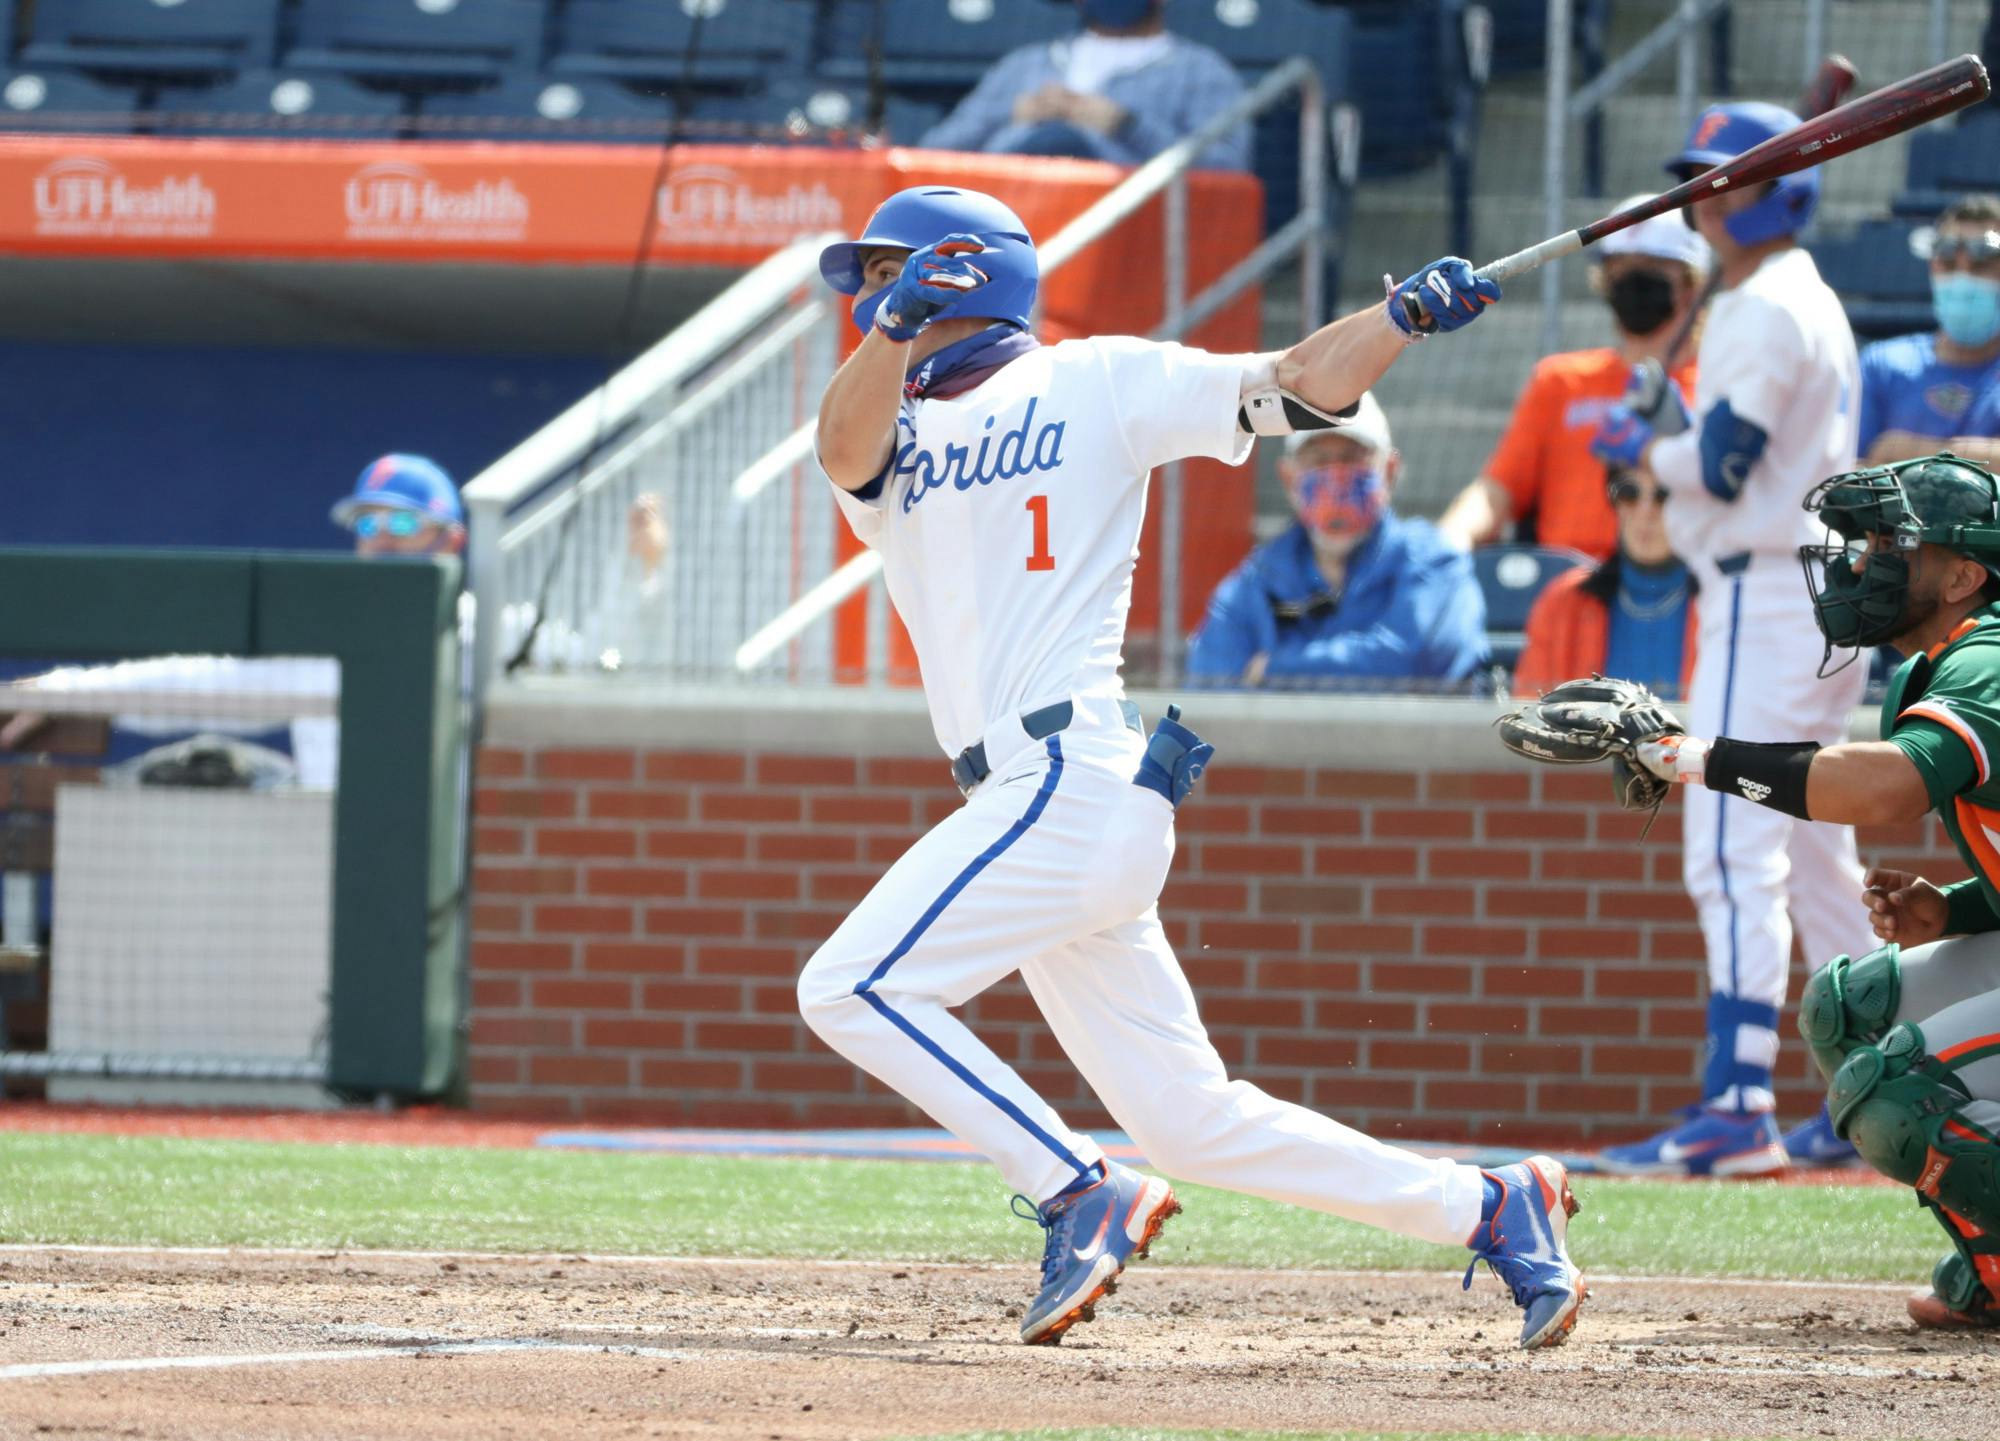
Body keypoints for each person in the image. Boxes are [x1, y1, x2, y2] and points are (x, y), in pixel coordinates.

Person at [797, 182, 1586, 1352]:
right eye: (869, 279)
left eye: (884, 269)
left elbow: (1293, 384)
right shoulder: (893, 426)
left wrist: (1399, 320)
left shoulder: (1097, 379)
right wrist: (895, 323)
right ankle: (1487, 1205)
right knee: (1188, 1120)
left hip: (1068, 773)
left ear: (968, 268)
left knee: (849, 986)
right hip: (1031, 803)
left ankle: (1075, 1188)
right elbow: (839, 448)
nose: (868, 294)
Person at [1545, 452, 2000, 1327]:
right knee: (1850, 1005)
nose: (1866, 561)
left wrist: (1696, 756)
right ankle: (1995, 1263)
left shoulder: (1987, 656)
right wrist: (1956, 908)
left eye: (1894, 544)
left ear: (1964, 576)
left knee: (1893, 1093)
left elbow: (1886, 788)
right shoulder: (1941, 662)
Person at [1586, 101, 1877, 1177]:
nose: (1709, 199)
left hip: (1766, 589)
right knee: (1815, 853)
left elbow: (1719, 467)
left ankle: (1737, 1103)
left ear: (1780, 191)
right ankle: (1890, 1083)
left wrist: (1646, 449)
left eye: (1730, 179)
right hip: (1814, 591)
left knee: (1727, 842)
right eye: (1703, 179)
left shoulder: (1761, 305)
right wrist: (1665, 429)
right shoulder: (1798, 295)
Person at [1436, 206, 1710, 560]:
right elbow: (1497, 490)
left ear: (1691, 284)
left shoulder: (1718, 382)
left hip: (1680, 577)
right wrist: (1446, 542)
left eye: (1650, 267)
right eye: (1619, 268)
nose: (1631, 280)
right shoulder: (1559, 381)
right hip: (1563, 583)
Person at [1184, 393, 1486, 689]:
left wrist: (1276, 669)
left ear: (1389, 470)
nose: (1336, 477)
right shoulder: (1256, 581)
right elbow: (1211, 683)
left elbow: (1418, 660)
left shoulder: (1433, 560)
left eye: (1352, 458)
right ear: (1288, 478)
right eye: (1319, 461)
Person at [918, 0, 1249, 171]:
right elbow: (933, 151)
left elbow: (1228, 167)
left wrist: (1127, 126)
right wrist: (1011, 115)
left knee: (1066, 141)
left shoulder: (1201, 70)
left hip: (1128, 232)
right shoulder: (1024, 64)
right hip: (1010, 224)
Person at [1514, 472, 1696, 700]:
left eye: (1663, 496)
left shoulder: (1722, 603)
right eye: (1629, 494)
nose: (1645, 511)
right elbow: (1529, 708)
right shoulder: (1564, 600)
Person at [1857, 195, 2000, 467]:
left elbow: (1880, 458)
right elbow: (1846, 473)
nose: (1962, 277)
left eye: (1981, 265)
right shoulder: (1882, 366)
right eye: (1949, 263)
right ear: (1933, 267)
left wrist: (1904, 452)